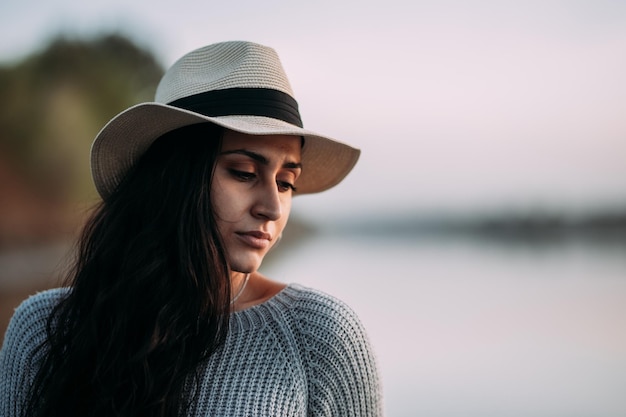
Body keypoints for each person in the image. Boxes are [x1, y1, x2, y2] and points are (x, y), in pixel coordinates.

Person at [0, 41, 382, 417]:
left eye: (285, 183)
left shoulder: (319, 336)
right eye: (244, 173)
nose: (271, 207)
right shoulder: (46, 331)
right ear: (174, 180)